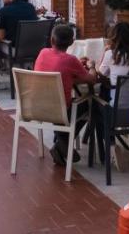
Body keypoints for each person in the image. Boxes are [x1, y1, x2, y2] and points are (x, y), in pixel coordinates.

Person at [33, 24, 97, 167]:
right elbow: (92, 79)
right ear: (72, 41)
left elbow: (55, 73)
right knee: (90, 105)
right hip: (60, 111)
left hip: (36, 108)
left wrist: (72, 74)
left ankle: (61, 145)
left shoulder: (43, 53)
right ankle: (63, 145)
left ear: (51, 40)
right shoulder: (70, 60)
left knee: (63, 102)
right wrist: (92, 66)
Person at [98, 22, 129, 96]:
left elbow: (101, 73)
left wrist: (93, 65)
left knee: (103, 89)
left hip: (120, 106)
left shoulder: (110, 54)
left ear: (114, 38)